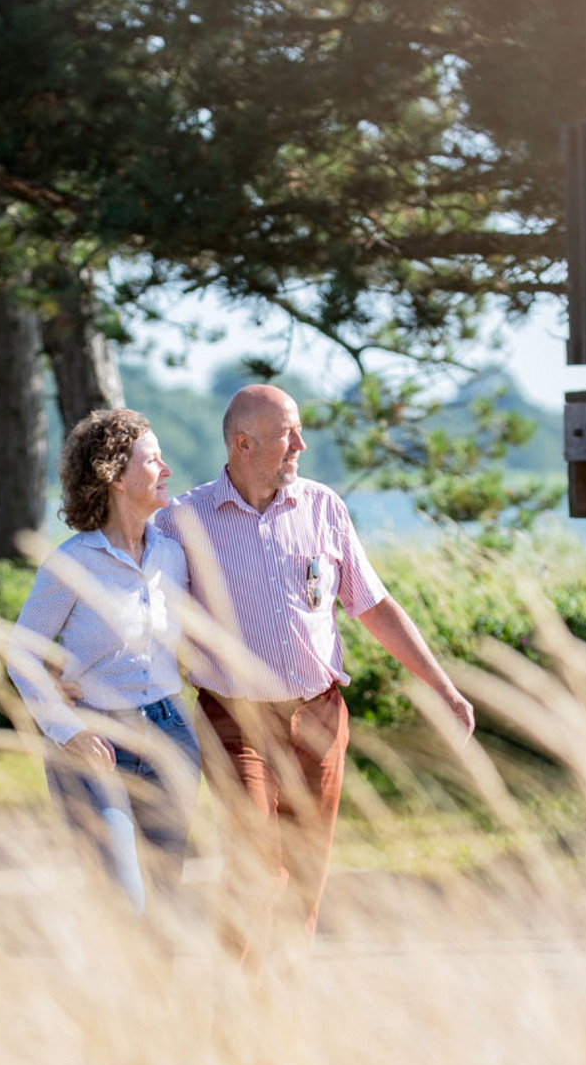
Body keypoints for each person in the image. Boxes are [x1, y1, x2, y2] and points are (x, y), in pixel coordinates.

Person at [158, 383, 475, 942]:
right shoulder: (183, 520)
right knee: (252, 862)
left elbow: (373, 606)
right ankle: (236, 1000)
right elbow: (145, 613)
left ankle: (284, 1002)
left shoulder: (324, 507)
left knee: (305, 874)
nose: (301, 443)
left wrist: (445, 690)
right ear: (243, 443)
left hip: (320, 717)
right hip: (236, 723)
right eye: (287, 434)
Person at [6, 408, 200, 914]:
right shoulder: (70, 564)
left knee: (165, 899)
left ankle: (159, 995)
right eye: (153, 460)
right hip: (94, 741)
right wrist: (67, 730)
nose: (167, 471)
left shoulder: (173, 556)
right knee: (122, 898)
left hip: (169, 735)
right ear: (114, 474)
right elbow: (22, 654)